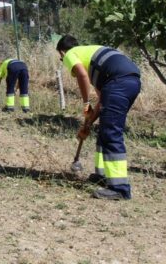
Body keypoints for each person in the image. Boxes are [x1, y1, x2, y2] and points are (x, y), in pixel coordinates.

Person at [56, 35, 141, 200]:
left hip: (119, 83)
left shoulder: (70, 54)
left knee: (111, 133)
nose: (63, 61)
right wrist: (88, 123)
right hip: (131, 82)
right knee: (105, 128)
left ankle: (120, 189)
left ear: (62, 52)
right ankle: (103, 176)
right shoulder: (92, 56)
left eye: (61, 58)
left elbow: (81, 75)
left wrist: (86, 103)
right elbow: (103, 102)